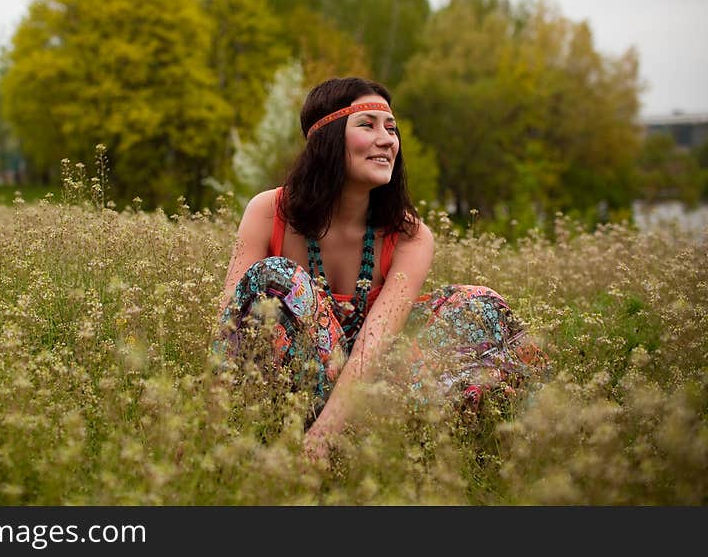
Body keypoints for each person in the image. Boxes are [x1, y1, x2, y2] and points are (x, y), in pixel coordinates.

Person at [213, 77, 547, 462]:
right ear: (328, 137)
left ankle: (524, 450)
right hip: (291, 388)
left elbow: (376, 345)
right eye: (368, 125)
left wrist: (324, 436)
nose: (387, 139)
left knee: (482, 305)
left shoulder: (410, 235)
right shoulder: (268, 211)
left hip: (374, 388)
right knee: (276, 278)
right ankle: (257, 442)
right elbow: (230, 327)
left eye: (391, 128)